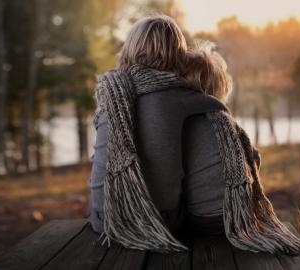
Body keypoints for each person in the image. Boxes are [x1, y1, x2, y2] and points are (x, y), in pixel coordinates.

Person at [87, 14, 244, 237]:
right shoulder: (178, 94)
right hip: (157, 222)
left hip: (102, 219)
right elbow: (217, 105)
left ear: (129, 49)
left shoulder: (111, 92)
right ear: (178, 54)